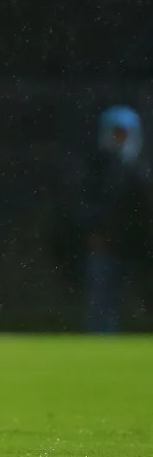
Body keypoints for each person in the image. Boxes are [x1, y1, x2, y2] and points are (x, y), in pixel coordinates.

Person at [79, 105, 153, 332]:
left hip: (140, 245)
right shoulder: (94, 170)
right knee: (102, 301)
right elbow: (87, 205)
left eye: (123, 134)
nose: (119, 139)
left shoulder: (142, 169)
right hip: (107, 246)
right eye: (115, 133)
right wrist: (95, 232)